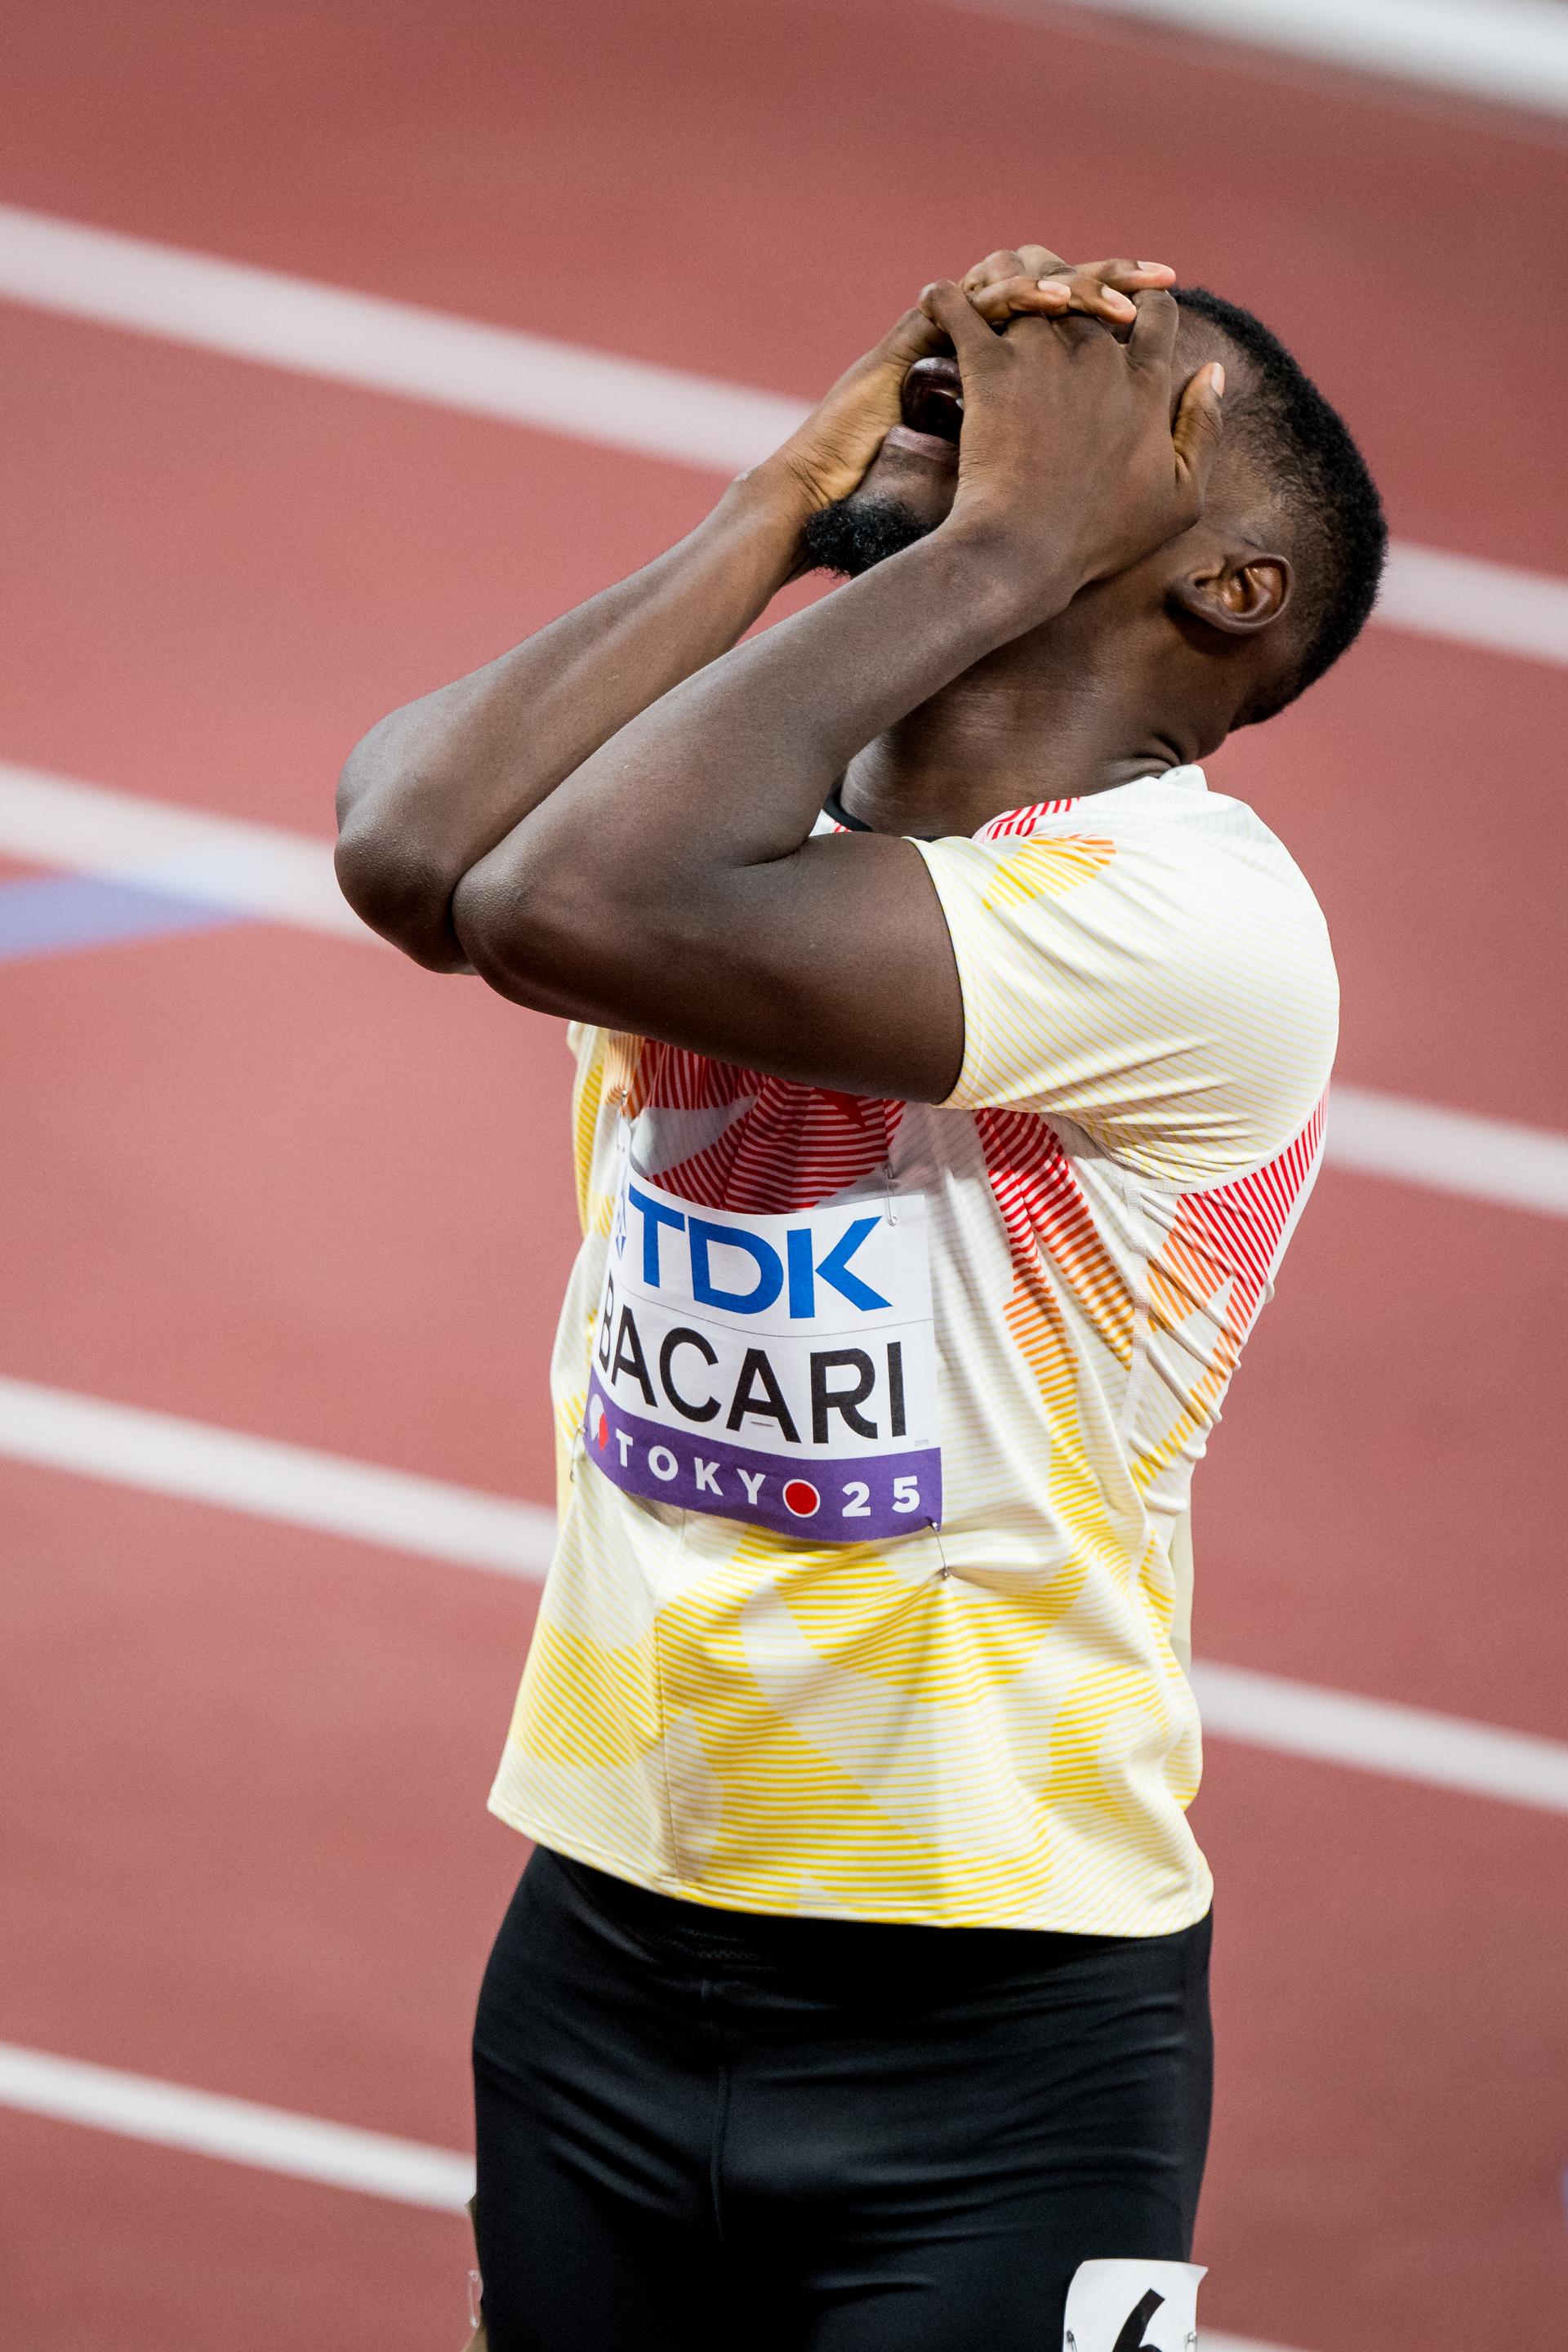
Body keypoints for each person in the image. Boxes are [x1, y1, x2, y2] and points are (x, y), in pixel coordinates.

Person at [336, 243, 1385, 2352]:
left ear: (1230, 587)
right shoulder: (743, 816)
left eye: (1127, 392)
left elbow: (567, 895)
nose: (1024, 367)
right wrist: (781, 508)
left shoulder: (1197, 921)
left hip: (996, 2030)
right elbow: (414, 847)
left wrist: (999, 542)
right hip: (608, 1947)